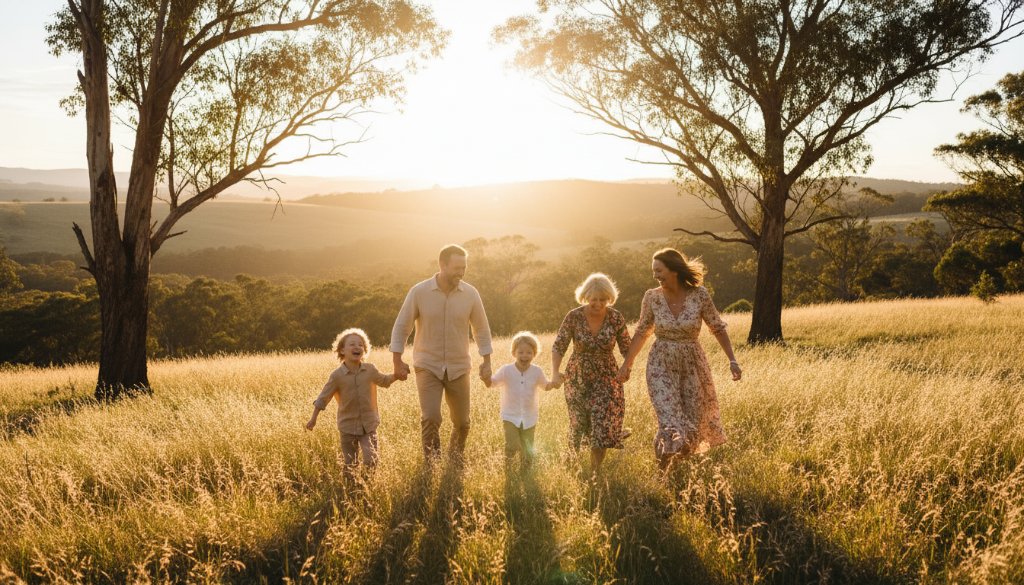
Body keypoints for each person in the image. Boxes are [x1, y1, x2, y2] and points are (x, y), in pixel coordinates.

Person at [617, 248, 741, 472]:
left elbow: (717, 327)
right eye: (654, 271)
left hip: (692, 365)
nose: (656, 275)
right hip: (660, 365)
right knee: (671, 423)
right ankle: (662, 474)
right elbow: (642, 332)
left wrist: (732, 359)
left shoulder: (699, 295)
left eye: (659, 270)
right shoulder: (652, 297)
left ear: (674, 269)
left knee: (692, 428)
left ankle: (672, 469)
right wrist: (627, 364)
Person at [390, 244, 493, 463]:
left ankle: (454, 461)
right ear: (442, 265)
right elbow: (402, 327)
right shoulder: (419, 292)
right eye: (456, 267)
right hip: (428, 364)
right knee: (431, 417)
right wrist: (397, 361)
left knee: (463, 423)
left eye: (463, 268)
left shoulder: (471, 294)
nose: (461, 272)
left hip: (459, 366)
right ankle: (432, 464)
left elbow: (481, 329)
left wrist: (487, 361)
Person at [551, 273, 632, 473]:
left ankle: (595, 472)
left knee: (602, 425)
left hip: (607, 377)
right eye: (594, 299)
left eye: (603, 299)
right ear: (586, 296)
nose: (597, 303)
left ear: (609, 298)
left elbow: (627, 348)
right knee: (578, 424)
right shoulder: (574, 316)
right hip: (577, 376)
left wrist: (627, 367)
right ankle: (572, 467)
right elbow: (559, 345)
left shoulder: (615, 318)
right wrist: (555, 372)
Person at [306, 328, 396, 475]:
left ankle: (369, 484)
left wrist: (397, 375)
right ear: (342, 351)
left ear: (365, 350)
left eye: (361, 345)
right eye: (352, 344)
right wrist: (313, 419)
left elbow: (385, 381)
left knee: (371, 459)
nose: (357, 347)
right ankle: (352, 490)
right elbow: (323, 398)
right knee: (350, 465)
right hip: (347, 426)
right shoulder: (337, 376)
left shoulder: (370, 370)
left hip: (368, 424)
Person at [486, 331, 553, 469]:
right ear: (514, 353)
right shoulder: (506, 370)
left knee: (528, 449)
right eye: (521, 352)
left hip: (529, 417)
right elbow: (492, 383)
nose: (525, 355)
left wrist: (555, 382)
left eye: (529, 352)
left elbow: (546, 386)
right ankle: (508, 469)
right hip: (510, 416)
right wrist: (485, 377)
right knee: (512, 445)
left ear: (534, 354)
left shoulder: (537, 371)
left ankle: (526, 473)